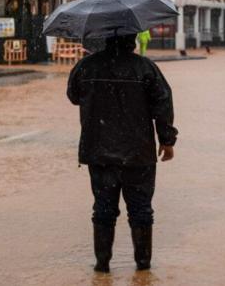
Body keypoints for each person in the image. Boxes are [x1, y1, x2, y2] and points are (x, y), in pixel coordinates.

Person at [67, 34, 178, 273]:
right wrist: (167, 140)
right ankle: (143, 268)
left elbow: (73, 96)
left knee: (103, 209)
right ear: (133, 38)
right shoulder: (145, 67)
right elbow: (163, 103)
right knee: (141, 210)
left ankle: (102, 265)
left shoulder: (87, 66)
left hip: (99, 151)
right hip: (138, 153)